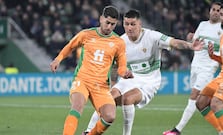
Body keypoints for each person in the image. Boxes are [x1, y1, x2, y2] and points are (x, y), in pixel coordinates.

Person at [82, 9, 204, 135]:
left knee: (128, 99)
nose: (129, 28)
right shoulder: (120, 42)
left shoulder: (152, 36)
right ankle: (87, 131)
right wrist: (112, 84)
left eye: (133, 24)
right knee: (107, 99)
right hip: (128, 80)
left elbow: (174, 43)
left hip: (149, 81)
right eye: (126, 24)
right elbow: (114, 66)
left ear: (140, 24)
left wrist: (190, 46)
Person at [50, 5, 134, 135]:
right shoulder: (86, 34)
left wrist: (125, 73)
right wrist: (58, 59)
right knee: (77, 106)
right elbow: (70, 46)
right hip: (82, 80)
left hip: (101, 86)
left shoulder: (118, 42)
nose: (109, 27)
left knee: (109, 116)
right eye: (107, 23)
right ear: (101, 19)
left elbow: (121, 66)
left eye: (113, 24)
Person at [163, 2, 223, 135]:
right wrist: (190, 38)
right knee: (200, 103)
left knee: (194, 95)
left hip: (208, 68)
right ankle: (221, 131)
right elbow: (194, 44)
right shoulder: (202, 25)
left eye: (218, 10)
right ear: (209, 11)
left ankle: (177, 130)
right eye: (213, 9)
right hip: (195, 65)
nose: (215, 12)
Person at [196, 2, 223, 135]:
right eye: (221, 15)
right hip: (222, 76)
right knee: (201, 102)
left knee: (216, 103)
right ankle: (221, 131)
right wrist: (213, 56)